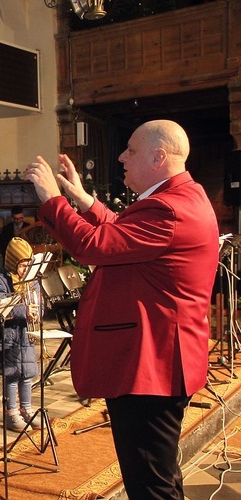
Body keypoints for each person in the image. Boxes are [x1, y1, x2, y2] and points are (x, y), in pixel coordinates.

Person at [24, 119, 218, 499]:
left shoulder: (169, 209)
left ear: (159, 157)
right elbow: (122, 234)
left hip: (151, 363)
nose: (121, 157)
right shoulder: (179, 198)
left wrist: (52, 199)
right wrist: (82, 199)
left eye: (131, 150)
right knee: (159, 474)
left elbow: (95, 246)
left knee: (149, 485)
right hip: (160, 358)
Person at [0, 237, 41, 432]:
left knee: (27, 374)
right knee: (11, 374)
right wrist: (24, 310)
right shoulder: (2, 279)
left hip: (26, 334)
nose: (25, 268)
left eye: (29, 263)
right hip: (9, 335)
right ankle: (11, 412)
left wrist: (37, 310)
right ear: (12, 262)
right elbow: (0, 305)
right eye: (21, 264)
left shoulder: (32, 279)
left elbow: (39, 301)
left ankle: (26, 409)